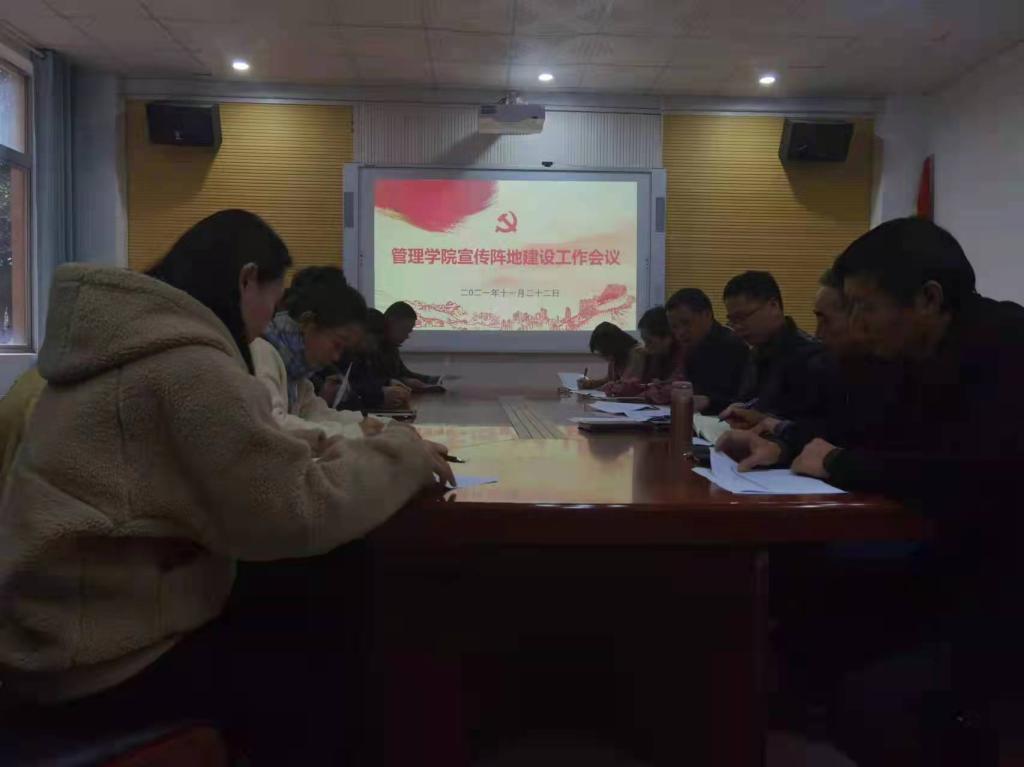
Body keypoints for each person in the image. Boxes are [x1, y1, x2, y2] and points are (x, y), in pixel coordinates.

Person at [0, 210, 453, 763]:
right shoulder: (185, 364)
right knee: (330, 604)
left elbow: (259, 454)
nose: (268, 321)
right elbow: (293, 508)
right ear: (245, 280)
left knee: (306, 582)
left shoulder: (123, 347)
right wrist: (402, 457)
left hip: (50, 635)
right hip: (99, 662)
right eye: (272, 299)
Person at [718, 219, 1024, 763]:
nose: (856, 322)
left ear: (928, 299)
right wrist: (786, 446)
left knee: (873, 699)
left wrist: (838, 461)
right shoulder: (916, 353)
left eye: (865, 306)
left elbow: (972, 477)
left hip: (998, 584)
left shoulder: (1007, 346)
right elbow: (869, 436)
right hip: (957, 560)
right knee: (808, 604)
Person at [252, 266, 381, 438]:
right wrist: (355, 431)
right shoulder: (262, 352)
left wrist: (380, 424)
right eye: (337, 344)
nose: (336, 357)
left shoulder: (296, 372)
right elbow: (272, 425)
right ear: (308, 323)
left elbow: (318, 415)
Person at [720, 271, 822, 423]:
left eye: (742, 317)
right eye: (732, 321)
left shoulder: (810, 357)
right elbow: (751, 401)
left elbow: (810, 427)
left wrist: (761, 420)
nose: (737, 328)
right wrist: (740, 408)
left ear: (773, 306)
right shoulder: (756, 351)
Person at [650, 288, 749, 413]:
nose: (680, 332)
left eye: (686, 323)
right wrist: (668, 389)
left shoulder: (731, 345)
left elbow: (743, 401)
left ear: (706, 314)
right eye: (674, 327)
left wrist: (708, 401)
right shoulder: (692, 346)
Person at [318, 309, 412, 413]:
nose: (375, 347)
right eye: (375, 341)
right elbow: (342, 391)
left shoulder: (361, 354)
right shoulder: (338, 353)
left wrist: (388, 382)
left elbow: (365, 381)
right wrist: (380, 396)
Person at [604, 307, 678, 397]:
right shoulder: (652, 356)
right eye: (645, 341)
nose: (646, 347)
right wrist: (618, 387)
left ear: (667, 337)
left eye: (649, 341)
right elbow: (643, 385)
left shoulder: (682, 355)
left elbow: (672, 390)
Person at [380, 301, 441, 390]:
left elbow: (404, 373)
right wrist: (405, 381)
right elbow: (372, 378)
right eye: (404, 330)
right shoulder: (373, 348)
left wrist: (432, 379)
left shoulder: (392, 347)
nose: (407, 336)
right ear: (391, 322)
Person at [578, 321, 643, 390]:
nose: (603, 357)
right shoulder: (616, 356)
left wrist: (604, 387)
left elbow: (627, 384)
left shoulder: (637, 353)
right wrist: (592, 384)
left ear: (613, 346)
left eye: (604, 352)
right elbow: (610, 379)